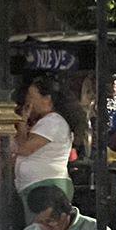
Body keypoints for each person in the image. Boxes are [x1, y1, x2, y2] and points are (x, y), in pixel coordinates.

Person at [13, 74, 83, 202]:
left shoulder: (52, 122)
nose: (28, 101)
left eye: (31, 96)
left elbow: (24, 149)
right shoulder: (46, 121)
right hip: (36, 185)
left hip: (46, 186)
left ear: (47, 99)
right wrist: (23, 121)